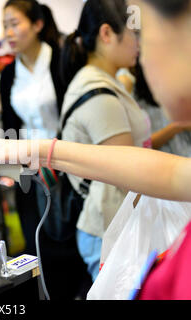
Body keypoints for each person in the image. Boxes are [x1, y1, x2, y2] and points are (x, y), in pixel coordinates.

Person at [0, 0, 191, 300]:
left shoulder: (92, 79)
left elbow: (148, 167)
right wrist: (33, 150)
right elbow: (157, 169)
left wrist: (35, 151)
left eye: (144, 33)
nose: (141, 50)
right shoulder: (95, 86)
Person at [0, 0, 86, 300]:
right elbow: (9, 125)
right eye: (5, 25)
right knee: (37, 241)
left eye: (15, 23)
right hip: (28, 170)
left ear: (37, 24)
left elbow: (76, 115)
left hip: (66, 164)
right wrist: (7, 165)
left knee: (69, 238)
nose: (8, 32)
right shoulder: (9, 73)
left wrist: (59, 157)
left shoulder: (61, 59)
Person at [59, 0, 148, 283]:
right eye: (135, 34)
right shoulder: (98, 93)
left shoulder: (103, 81)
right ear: (107, 34)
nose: (139, 43)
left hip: (116, 223)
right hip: (111, 229)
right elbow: (130, 171)